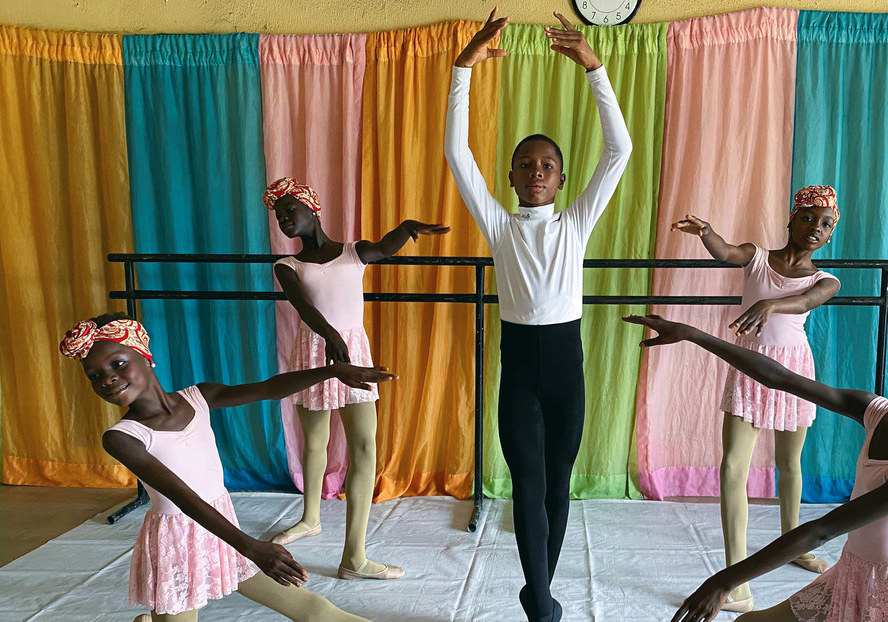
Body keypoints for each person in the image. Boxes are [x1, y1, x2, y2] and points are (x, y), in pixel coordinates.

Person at [623, 306, 888, 622]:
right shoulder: (878, 413)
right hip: (853, 571)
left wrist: (725, 580)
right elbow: (779, 377)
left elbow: (821, 530)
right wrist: (692, 334)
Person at [444, 9, 632, 621]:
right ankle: (542, 606)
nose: (535, 172)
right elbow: (455, 151)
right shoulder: (499, 226)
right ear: (510, 177)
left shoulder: (575, 224)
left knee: (558, 482)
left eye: (546, 165)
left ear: (561, 179)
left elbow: (620, 149)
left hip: (566, 364)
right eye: (525, 164)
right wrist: (463, 68)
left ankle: (538, 591)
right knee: (526, 479)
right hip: (520, 363)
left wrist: (595, 70)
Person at [60, 313, 396, 621]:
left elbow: (267, 388)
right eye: (95, 376)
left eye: (118, 364)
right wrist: (251, 546)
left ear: (145, 356)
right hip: (178, 541)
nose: (108, 379)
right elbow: (184, 497)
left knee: (313, 609)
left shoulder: (198, 397)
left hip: (223, 531)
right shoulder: (122, 438)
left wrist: (332, 371)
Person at [264, 176, 448, 580]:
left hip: (354, 354)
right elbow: (303, 307)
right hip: (314, 353)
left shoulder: (352, 253)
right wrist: (329, 335)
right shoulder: (287, 265)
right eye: (279, 216)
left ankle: (354, 557)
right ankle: (310, 517)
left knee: (365, 445)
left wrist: (406, 229)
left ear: (313, 209)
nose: (284, 219)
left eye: (290, 210)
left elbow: (383, 247)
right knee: (315, 442)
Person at [670, 185, 841, 612]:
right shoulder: (758, 256)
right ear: (791, 219)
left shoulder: (827, 280)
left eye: (825, 224)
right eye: (807, 218)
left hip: (795, 374)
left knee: (789, 464)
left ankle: (795, 545)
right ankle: (738, 585)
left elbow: (806, 298)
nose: (814, 228)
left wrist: (771, 304)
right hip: (750, 368)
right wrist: (706, 231)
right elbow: (725, 252)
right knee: (732, 467)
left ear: (831, 231)